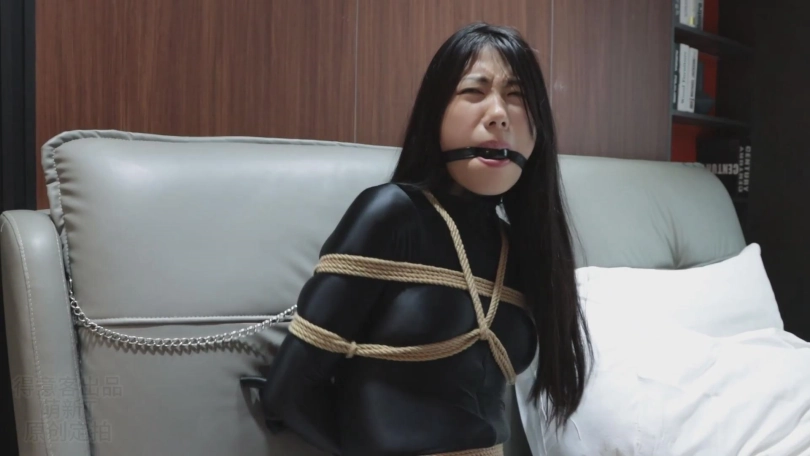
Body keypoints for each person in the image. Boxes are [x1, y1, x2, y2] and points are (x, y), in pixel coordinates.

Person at [241, 22, 592, 456]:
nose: (499, 113)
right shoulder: (393, 215)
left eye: (517, 96)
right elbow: (287, 393)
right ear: (435, 111)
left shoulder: (520, 252)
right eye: (474, 91)